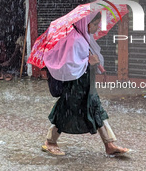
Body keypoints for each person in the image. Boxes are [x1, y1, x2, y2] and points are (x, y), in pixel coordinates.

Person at [42, 11, 129, 156]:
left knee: (95, 108)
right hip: (74, 86)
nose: (97, 26)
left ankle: (110, 144)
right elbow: (68, 65)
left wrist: (91, 63)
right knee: (65, 111)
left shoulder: (84, 37)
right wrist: (88, 63)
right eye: (95, 24)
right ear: (85, 24)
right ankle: (50, 142)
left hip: (86, 84)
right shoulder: (74, 39)